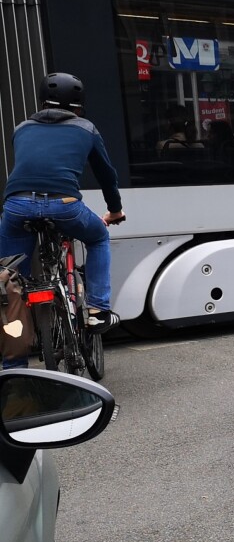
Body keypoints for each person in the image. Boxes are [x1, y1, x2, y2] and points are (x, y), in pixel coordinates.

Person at [0, 73, 126, 352]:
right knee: (98, 237)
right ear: (79, 105)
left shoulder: (21, 128)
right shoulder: (86, 128)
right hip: (65, 205)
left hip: (17, 206)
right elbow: (107, 175)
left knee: (10, 281)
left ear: (42, 101)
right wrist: (114, 210)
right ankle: (98, 312)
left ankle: (14, 364)